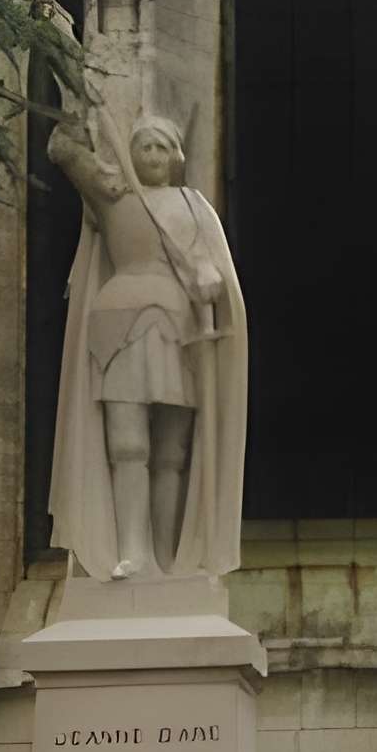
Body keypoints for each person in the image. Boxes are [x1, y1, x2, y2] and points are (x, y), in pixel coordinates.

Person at [42, 61, 249, 581]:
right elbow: (63, 152)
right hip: (117, 324)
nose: (153, 156)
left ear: (176, 156)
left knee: (172, 449)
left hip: (179, 329)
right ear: (130, 153)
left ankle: (165, 558)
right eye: (144, 146)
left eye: (162, 147)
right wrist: (71, 79)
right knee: (127, 443)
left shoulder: (194, 205)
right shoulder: (112, 195)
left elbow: (211, 267)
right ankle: (130, 551)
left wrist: (208, 277)